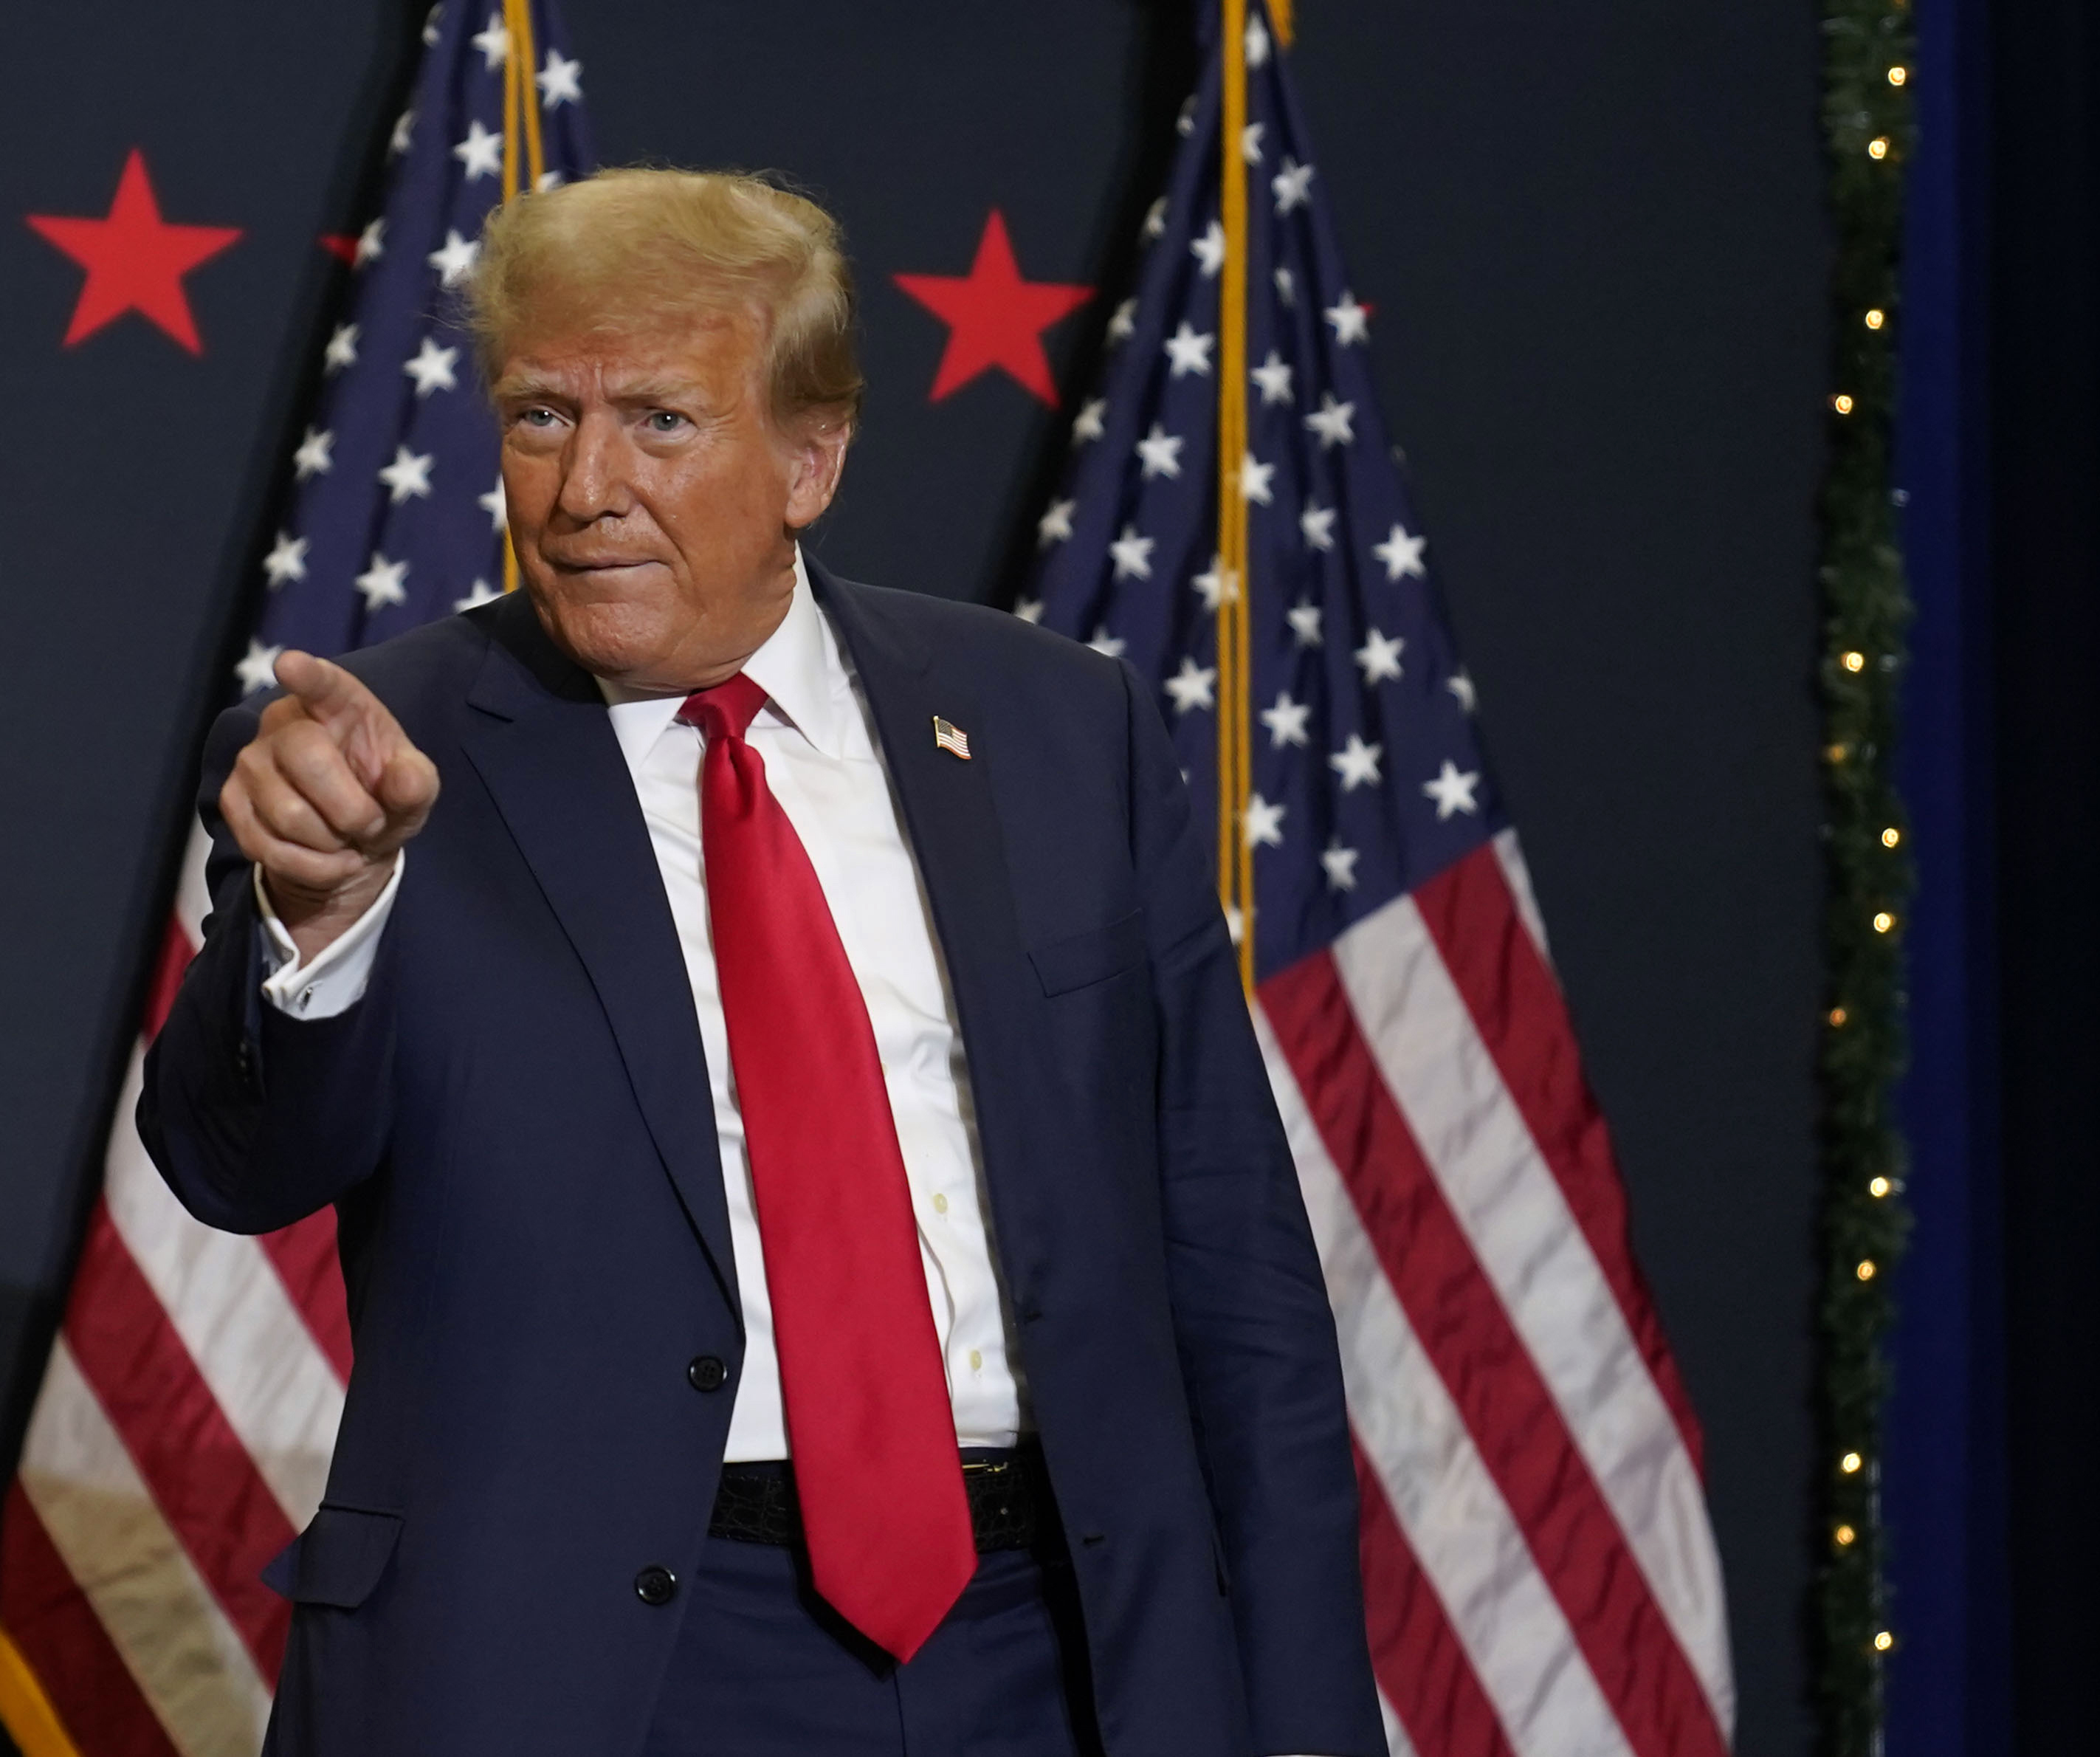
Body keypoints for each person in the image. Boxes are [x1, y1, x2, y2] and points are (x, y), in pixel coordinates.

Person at [141, 167, 1383, 1757]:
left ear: (812, 458)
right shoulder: (365, 756)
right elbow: (237, 1161)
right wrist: (324, 911)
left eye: (658, 420)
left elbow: (1235, 1271)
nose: (583, 485)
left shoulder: (1064, 729)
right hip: (598, 1672)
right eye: (538, 416)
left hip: (1057, 1650)